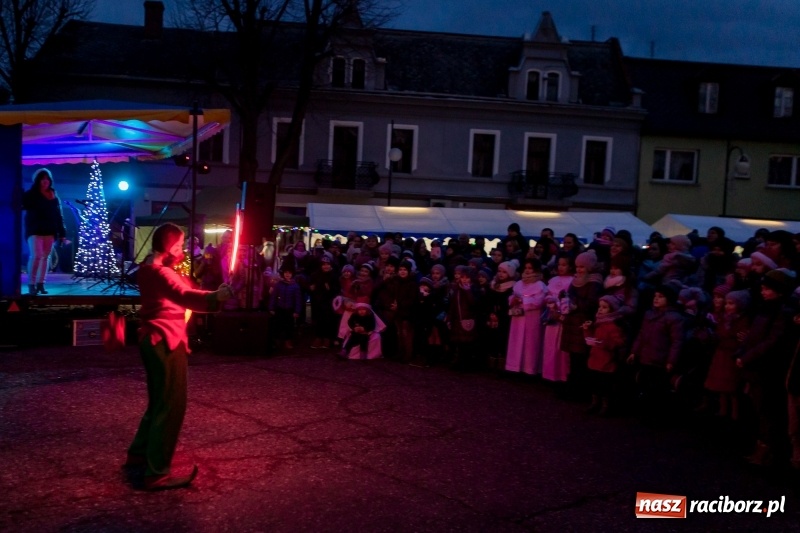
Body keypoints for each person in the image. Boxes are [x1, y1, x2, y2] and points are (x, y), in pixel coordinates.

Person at [126, 223, 233, 491]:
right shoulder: (162, 273)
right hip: (165, 342)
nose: (183, 250)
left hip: (152, 341)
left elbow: (180, 293)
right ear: (170, 246)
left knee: (158, 403)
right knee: (171, 406)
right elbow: (184, 295)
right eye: (181, 245)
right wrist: (216, 297)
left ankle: (139, 455)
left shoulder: (146, 268)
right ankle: (157, 472)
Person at [22, 168, 67, 296]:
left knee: (46, 257)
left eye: (47, 179)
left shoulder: (53, 194)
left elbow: (59, 215)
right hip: (35, 230)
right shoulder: (31, 194)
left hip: (50, 230)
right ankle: (31, 284)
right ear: (37, 180)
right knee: (36, 256)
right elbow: (23, 204)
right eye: (42, 179)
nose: (45, 181)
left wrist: (62, 233)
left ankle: (41, 283)